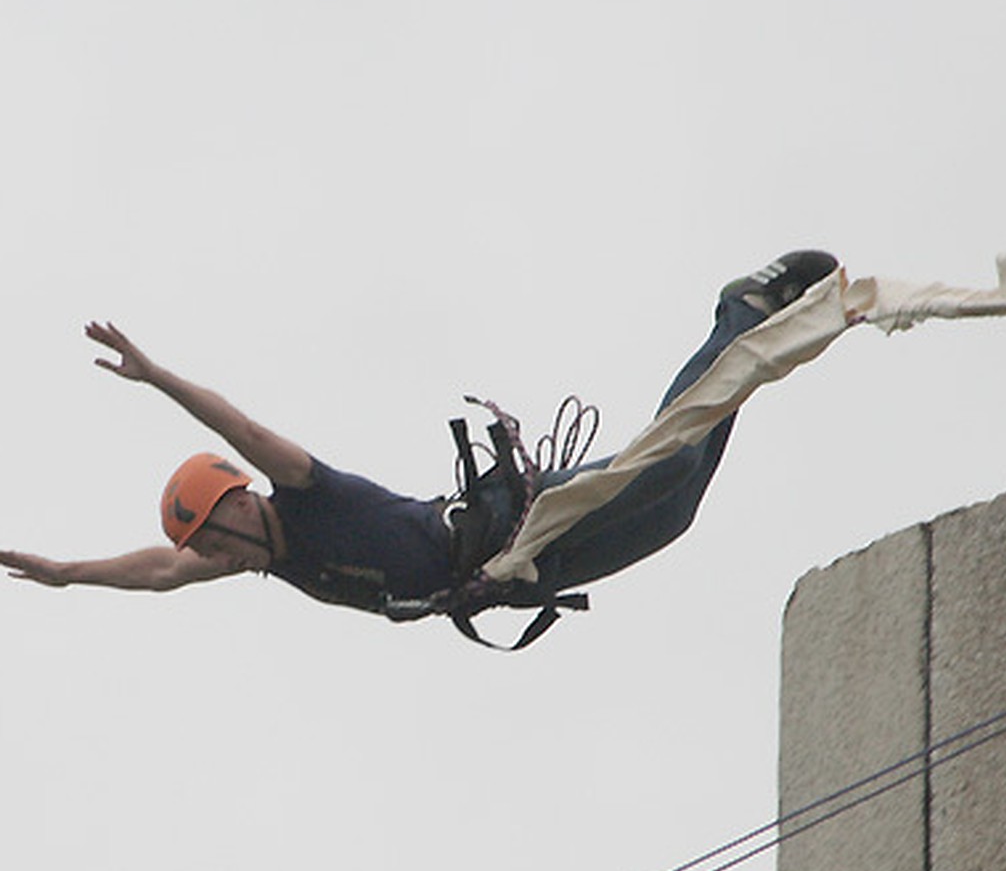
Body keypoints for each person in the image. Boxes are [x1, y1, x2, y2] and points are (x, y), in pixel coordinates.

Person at [1, 250, 838, 643]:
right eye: (207, 550)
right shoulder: (266, 557)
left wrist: (157, 377)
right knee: (678, 510)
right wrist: (68, 575)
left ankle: (742, 313)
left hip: (514, 523)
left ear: (240, 501)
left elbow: (242, 431)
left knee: (671, 463)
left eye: (214, 537)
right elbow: (156, 572)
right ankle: (761, 346)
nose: (213, 559)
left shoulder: (301, 491)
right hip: (519, 576)